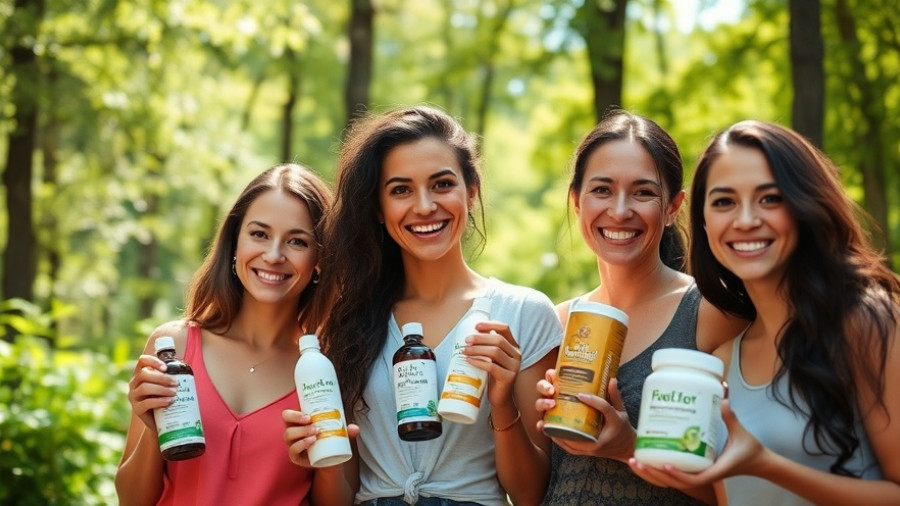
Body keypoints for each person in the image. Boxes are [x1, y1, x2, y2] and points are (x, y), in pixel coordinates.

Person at [282, 105, 563, 506]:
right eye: (401, 190)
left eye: (442, 184)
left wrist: (501, 403)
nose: (425, 206)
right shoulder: (346, 321)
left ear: (471, 190)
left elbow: (531, 494)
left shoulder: (522, 312)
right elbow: (338, 499)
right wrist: (320, 454)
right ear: (378, 209)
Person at [628, 120, 900, 505]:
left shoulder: (867, 321)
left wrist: (766, 463)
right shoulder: (720, 362)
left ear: (806, 203)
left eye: (770, 198)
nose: (745, 220)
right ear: (704, 223)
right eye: (724, 202)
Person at [534, 110, 746, 505]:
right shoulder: (556, 322)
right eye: (602, 190)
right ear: (576, 201)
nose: (619, 210)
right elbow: (532, 486)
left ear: (672, 208)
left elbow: (741, 489)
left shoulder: (712, 315)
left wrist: (628, 446)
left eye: (643, 192)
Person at [115, 163, 335, 506]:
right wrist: (152, 428)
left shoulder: (324, 370)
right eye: (259, 234)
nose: (274, 255)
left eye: (297, 241)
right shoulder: (174, 347)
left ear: (320, 258)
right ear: (234, 241)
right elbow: (131, 501)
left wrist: (328, 458)